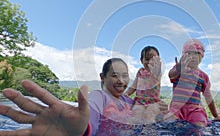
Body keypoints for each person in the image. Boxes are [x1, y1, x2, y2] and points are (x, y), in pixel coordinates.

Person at [0, 58, 168, 136]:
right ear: (103, 77)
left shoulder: (129, 101)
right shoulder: (99, 97)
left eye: (125, 76)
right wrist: (82, 128)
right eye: (115, 76)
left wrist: (155, 110)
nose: (121, 81)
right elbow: (91, 116)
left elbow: (144, 113)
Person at [168, 38, 220, 127]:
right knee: (169, 123)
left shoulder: (203, 76)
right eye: (189, 53)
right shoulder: (179, 69)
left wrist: (216, 115)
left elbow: (208, 97)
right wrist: (179, 69)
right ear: (184, 56)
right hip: (176, 109)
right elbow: (171, 75)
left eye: (196, 53)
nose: (192, 56)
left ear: (202, 56)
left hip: (195, 109)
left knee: (199, 126)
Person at [125, 46, 162, 123]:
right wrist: (126, 94)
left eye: (153, 59)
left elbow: (157, 77)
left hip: (154, 102)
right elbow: (134, 86)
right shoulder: (140, 72)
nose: (150, 62)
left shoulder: (157, 72)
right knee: (136, 115)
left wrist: (157, 71)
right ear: (142, 60)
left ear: (158, 60)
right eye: (147, 59)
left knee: (149, 115)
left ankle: (150, 132)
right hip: (140, 101)